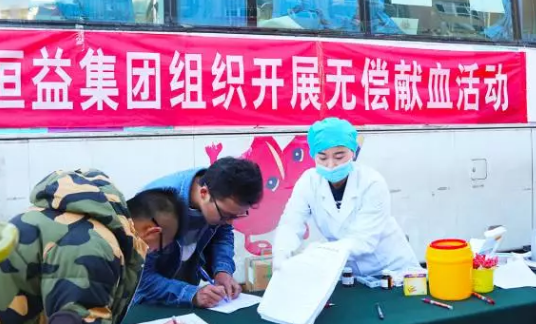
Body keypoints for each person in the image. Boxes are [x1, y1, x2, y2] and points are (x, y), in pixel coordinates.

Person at [0, 168, 185, 324]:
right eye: (161, 247)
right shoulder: (95, 245)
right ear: (153, 232)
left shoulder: (65, 218)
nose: (154, 252)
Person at [273, 118, 420, 277]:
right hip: (349, 272)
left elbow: (363, 240)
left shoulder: (371, 183)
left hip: (391, 268)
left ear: (353, 152)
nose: (331, 165)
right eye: (322, 158)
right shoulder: (308, 182)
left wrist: (319, 252)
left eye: (339, 156)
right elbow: (291, 224)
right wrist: (281, 255)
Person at [133, 157, 264, 308]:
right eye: (225, 215)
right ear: (204, 193)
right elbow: (141, 280)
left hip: (186, 295)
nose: (229, 222)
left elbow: (222, 235)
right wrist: (191, 294)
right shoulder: (155, 208)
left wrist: (222, 270)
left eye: (237, 216)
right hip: (149, 303)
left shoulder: (219, 193)